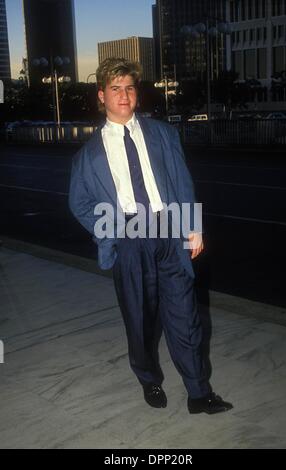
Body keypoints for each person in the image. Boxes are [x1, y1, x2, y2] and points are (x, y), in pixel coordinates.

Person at [69, 58, 233, 414]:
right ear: (102, 95)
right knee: (140, 319)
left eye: (129, 87)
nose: (124, 95)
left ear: (137, 94)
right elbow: (79, 203)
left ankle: (198, 392)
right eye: (115, 88)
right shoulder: (89, 154)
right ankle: (148, 378)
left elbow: (181, 181)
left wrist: (193, 227)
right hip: (129, 236)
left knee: (184, 315)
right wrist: (109, 232)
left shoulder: (162, 133)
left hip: (169, 229)